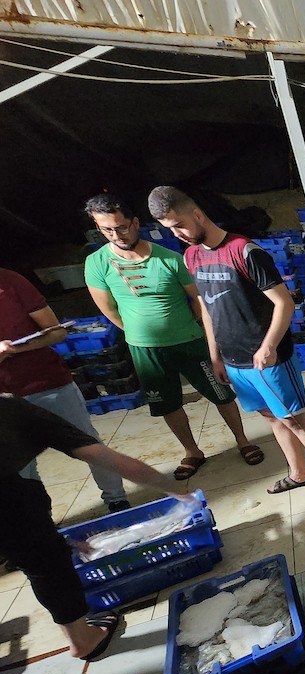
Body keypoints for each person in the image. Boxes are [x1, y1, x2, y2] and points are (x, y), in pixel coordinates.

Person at [147, 186, 305, 506]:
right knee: (271, 417)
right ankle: (299, 472)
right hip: (233, 359)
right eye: (169, 228)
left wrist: (268, 346)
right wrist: (215, 355)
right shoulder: (192, 255)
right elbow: (208, 307)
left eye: (179, 224)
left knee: (294, 417)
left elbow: (284, 304)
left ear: (198, 215)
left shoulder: (244, 251)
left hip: (268, 357)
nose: (177, 234)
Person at [83, 193, 262, 480]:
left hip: (189, 341)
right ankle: (193, 451)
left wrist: (190, 327)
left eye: (122, 227)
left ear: (136, 222)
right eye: (106, 230)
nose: (116, 235)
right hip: (145, 350)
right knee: (167, 403)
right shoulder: (97, 263)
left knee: (221, 393)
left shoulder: (170, 259)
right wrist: (139, 331)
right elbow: (110, 311)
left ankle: (243, 440)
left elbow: (199, 301)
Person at [0, 395, 191, 660]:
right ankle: (83, 640)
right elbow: (100, 456)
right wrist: (173, 490)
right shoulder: (11, 409)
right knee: (45, 562)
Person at [0, 267, 130, 513]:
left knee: (87, 444)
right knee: (21, 466)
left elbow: (57, 332)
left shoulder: (11, 281)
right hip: (5, 399)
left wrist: (17, 349)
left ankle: (117, 500)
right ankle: (41, 518)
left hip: (49, 382)